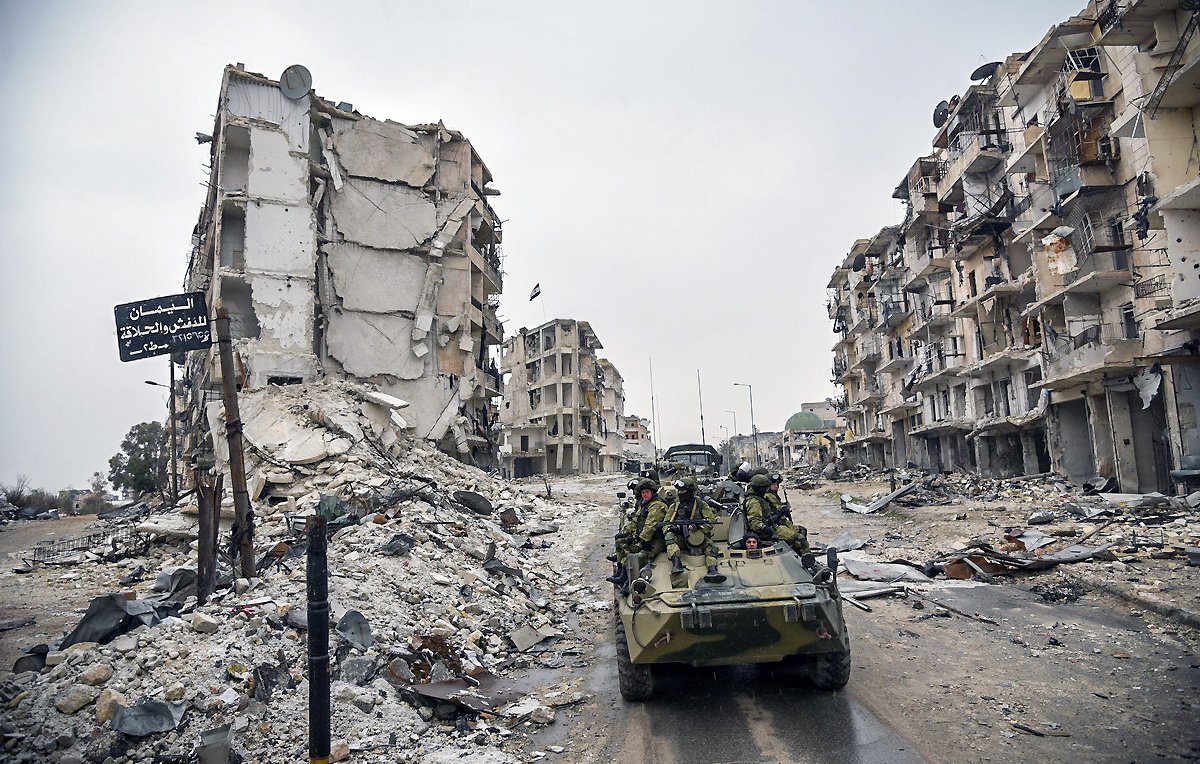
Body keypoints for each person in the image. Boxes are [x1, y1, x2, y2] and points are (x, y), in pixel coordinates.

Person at [606, 478, 669, 589]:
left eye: (647, 492)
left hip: (655, 541)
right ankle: (621, 574)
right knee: (621, 544)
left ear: (653, 493)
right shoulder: (645, 505)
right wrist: (628, 535)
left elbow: (650, 526)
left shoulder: (657, 506)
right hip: (644, 539)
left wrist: (641, 541)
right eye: (643, 492)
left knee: (638, 556)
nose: (644, 494)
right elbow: (636, 521)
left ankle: (628, 582)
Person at [664, 477, 725, 582]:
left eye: (683, 490)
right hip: (680, 540)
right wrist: (673, 528)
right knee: (669, 536)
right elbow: (665, 523)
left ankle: (712, 570)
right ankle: (676, 562)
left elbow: (710, 520)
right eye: (679, 490)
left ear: (690, 491)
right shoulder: (675, 506)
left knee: (711, 548)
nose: (680, 493)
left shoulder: (701, 504)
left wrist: (698, 527)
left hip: (698, 537)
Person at [741, 474, 811, 556]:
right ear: (758, 488)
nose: (767, 489)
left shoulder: (762, 498)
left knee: (801, 531)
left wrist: (780, 512)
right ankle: (808, 562)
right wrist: (765, 527)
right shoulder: (753, 502)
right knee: (799, 538)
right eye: (765, 487)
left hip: (773, 525)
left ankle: (801, 556)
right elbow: (754, 522)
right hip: (767, 531)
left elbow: (772, 509)